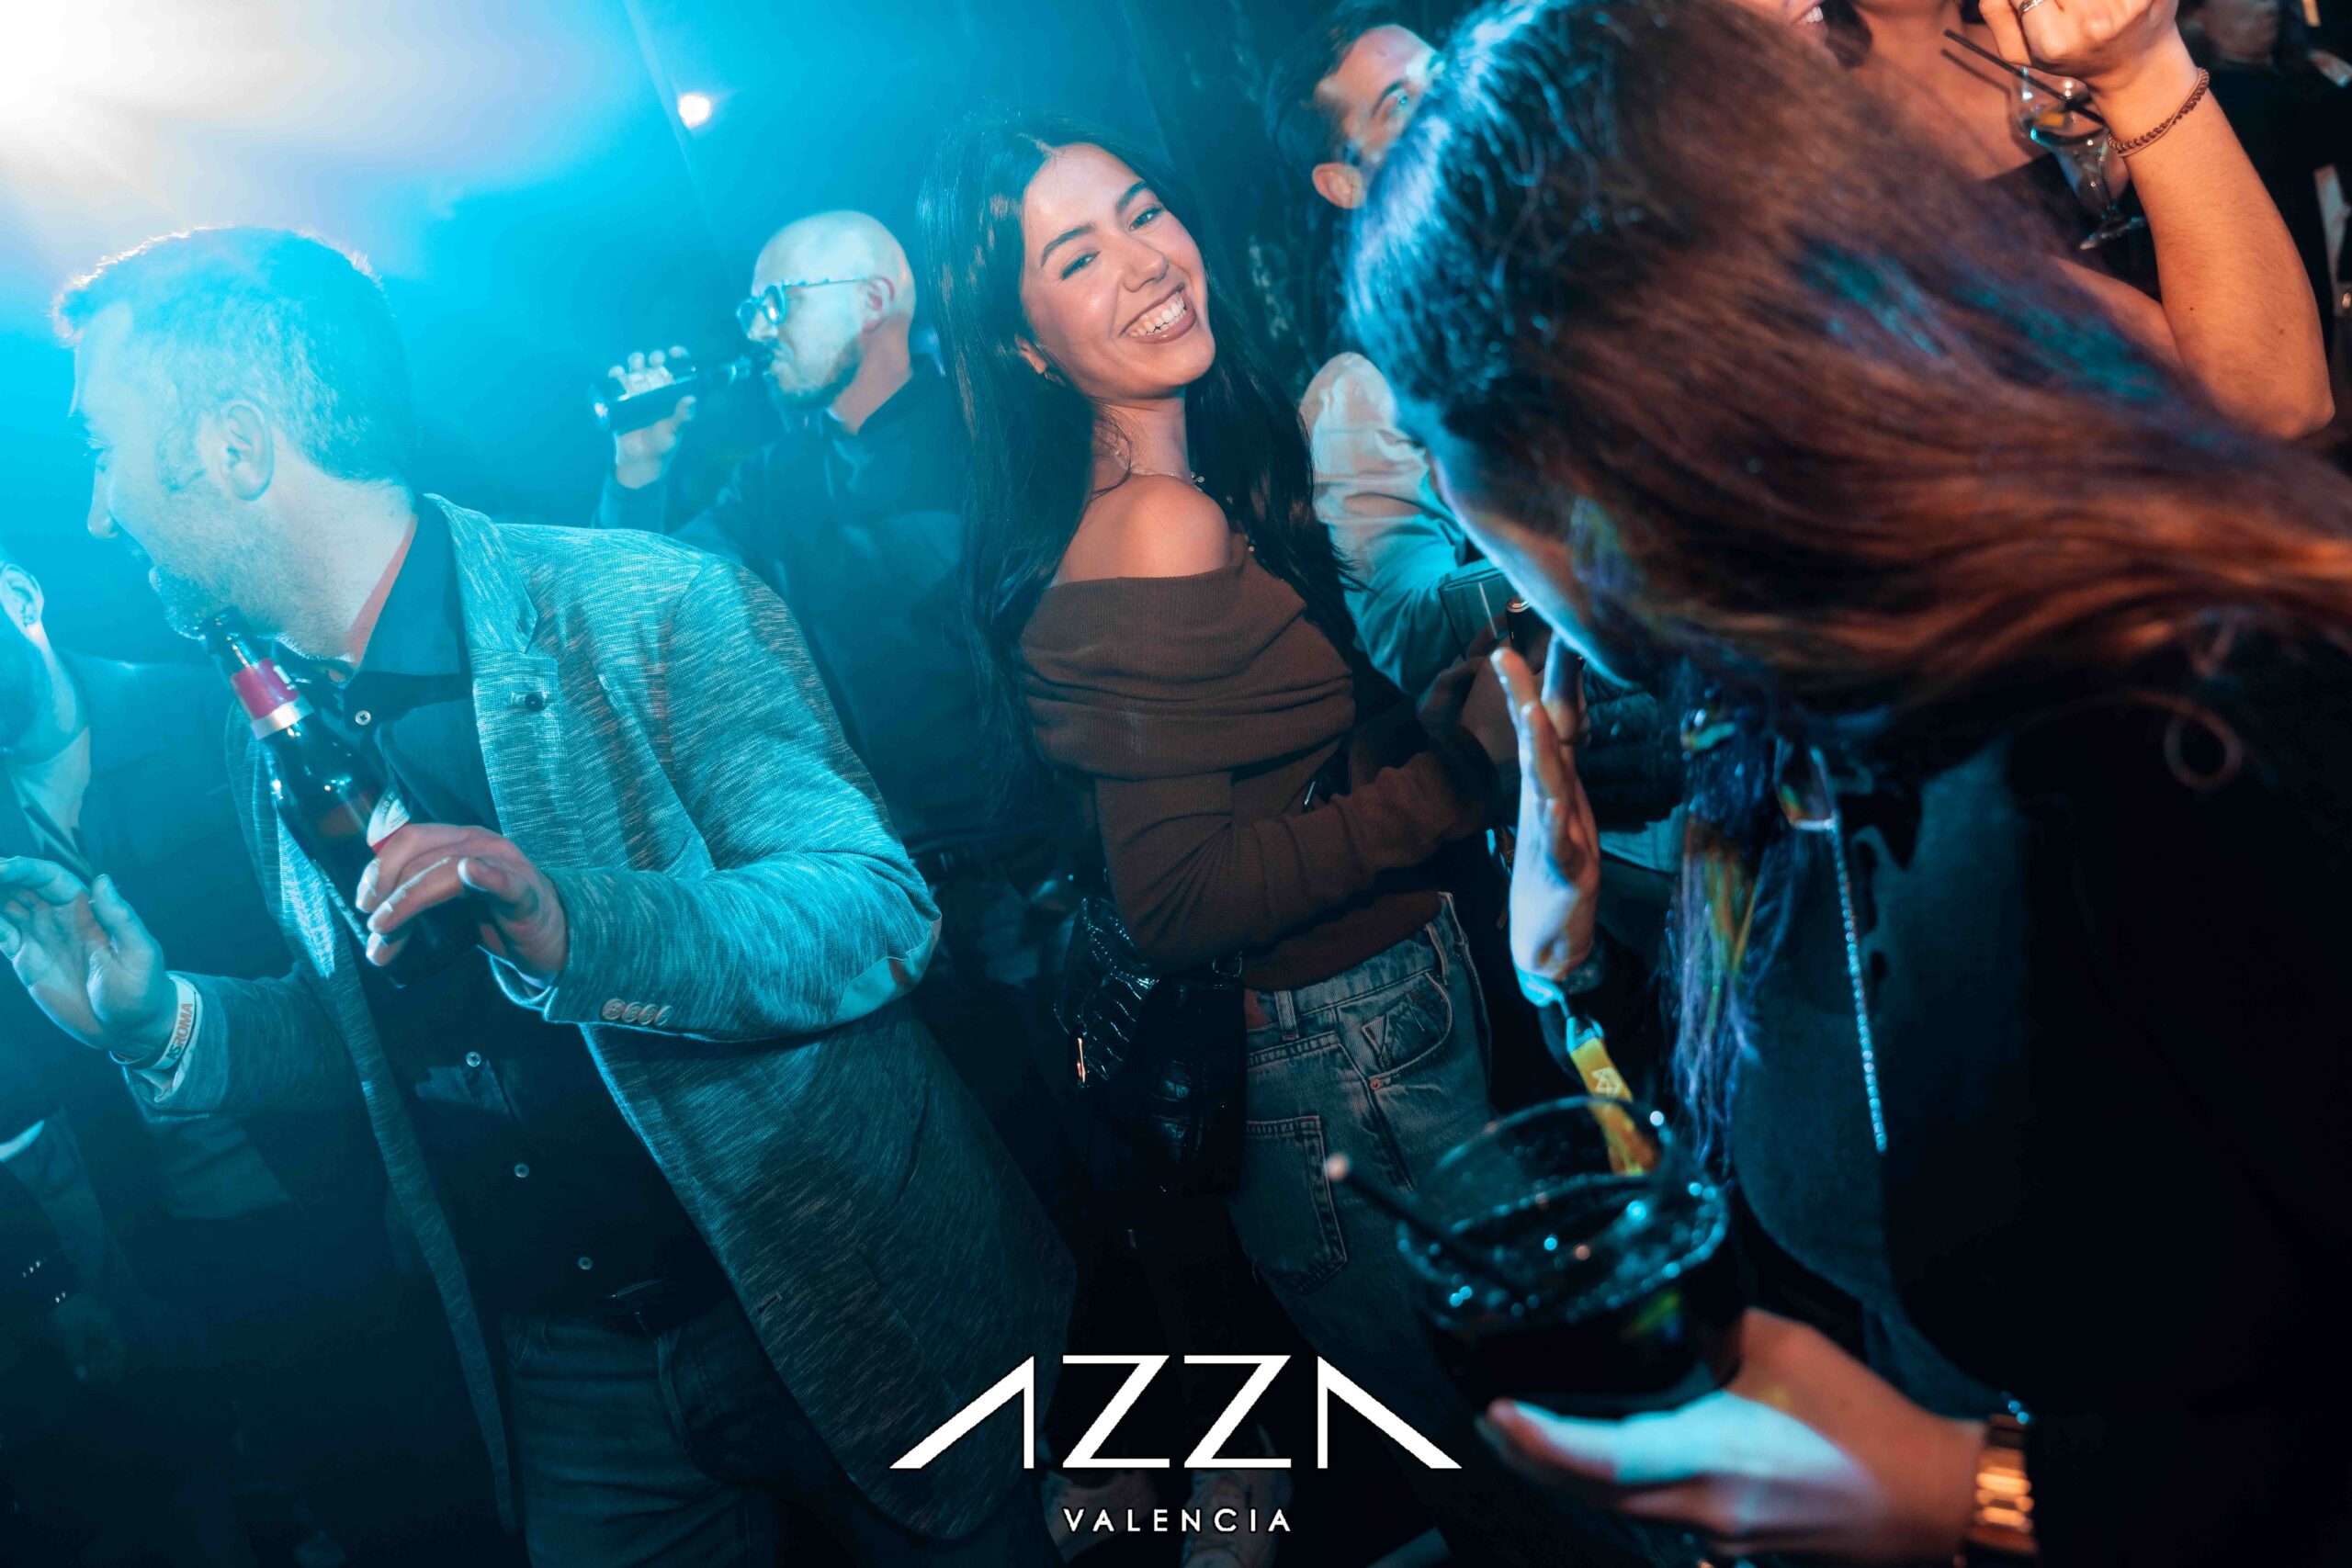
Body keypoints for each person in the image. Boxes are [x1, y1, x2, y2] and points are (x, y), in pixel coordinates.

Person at [1351, 0, 2352, 1559]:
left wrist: (1971, 1490)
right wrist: (1567, 976)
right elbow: (1843, 1153)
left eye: (1437, 448)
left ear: (1588, 439)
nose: (1449, 511)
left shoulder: (2155, 722)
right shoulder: (1781, 713)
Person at [5, 225, 1072, 1567]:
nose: (100, 514)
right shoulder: (259, 725)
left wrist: (572, 924)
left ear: (235, 446)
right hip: (567, 1378)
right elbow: (375, 1031)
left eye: (105, 451)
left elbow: (873, 911)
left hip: (841, 1292)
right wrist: (162, 1021)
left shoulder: (641, 600)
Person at [920, 112, 1671, 1568]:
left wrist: (1419, 732)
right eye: (1077, 256)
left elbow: (1262, 770)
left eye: (1145, 209)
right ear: (1023, 345)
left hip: (1368, 1042)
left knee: (1540, 1468)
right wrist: (1454, 776)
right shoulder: (1153, 521)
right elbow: (1180, 895)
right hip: (1348, 1069)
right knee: (1565, 1488)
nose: (1147, 260)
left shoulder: (1181, 485)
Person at [0, 531, 500, 1562]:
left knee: (473, 1498)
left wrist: (415, 1176)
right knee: (363, 1517)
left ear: (19, 593)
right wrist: (71, 1282)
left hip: (365, 1192)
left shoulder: (215, 715)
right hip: (198, 1251)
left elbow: (388, 965)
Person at [594, 210, 1078, 1223]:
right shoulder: (775, 480)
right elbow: (637, 595)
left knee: (1150, 1189)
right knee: (1017, 1208)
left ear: (874, 301)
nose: (756, 329)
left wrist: (1068, 881)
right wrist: (639, 470)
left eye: (776, 303)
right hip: (905, 910)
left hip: (1057, 876)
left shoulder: (996, 427)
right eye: (749, 309)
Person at [1827, 0, 2333, 437]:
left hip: (2197, 316)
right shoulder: (1831, 138)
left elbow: (2272, 386)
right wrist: (2137, 73)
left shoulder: (2065, 45)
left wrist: (2118, 126)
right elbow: (2270, 397)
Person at [2189, 0, 2352, 345]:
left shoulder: (2291, 74)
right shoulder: (2223, 96)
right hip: (2278, 302)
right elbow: (2323, 131)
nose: (2266, 6)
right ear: (2199, 16)